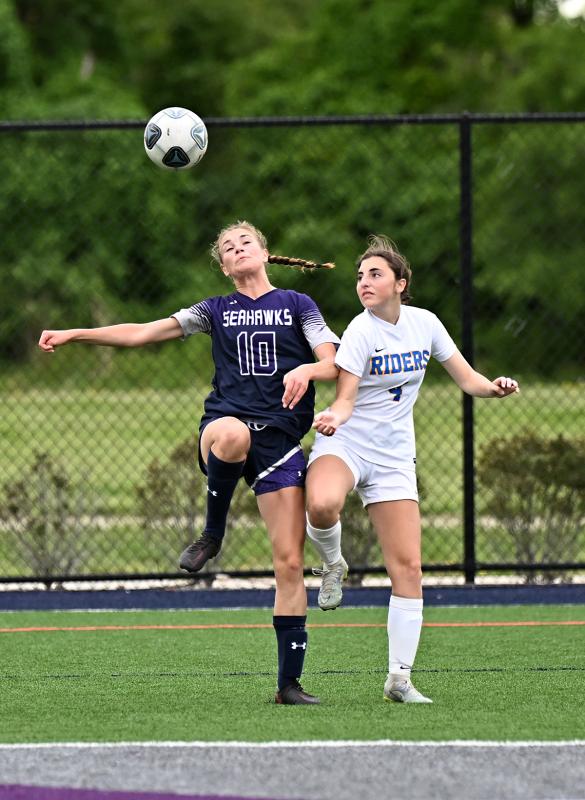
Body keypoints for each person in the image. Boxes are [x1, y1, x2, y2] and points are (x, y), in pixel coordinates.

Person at [39, 221, 340, 706]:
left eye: (245, 242)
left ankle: (289, 684)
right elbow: (142, 332)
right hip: (224, 428)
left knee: (289, 563)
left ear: (265, 253)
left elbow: (333, 361)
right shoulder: (215, 310)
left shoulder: (297, 305)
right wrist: (77, 333)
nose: (237, 249)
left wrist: (307, 367)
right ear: (224, 267)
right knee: (232, 432)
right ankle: (212, 534)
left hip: (281, 440)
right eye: (227, 247)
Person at [304, 235, 519, 704]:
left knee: (408, 567)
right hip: (347, 443)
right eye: (360, 275)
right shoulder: (360, 331)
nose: (364, 281)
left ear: (401, 283)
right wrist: (334, 419)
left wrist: (495, 387)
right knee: (321, 505)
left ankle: (399, 680)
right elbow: (345, 398)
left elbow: (467, 378)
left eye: (375, 274)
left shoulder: (426, 324)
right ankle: (332, 562)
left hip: (394, 456)